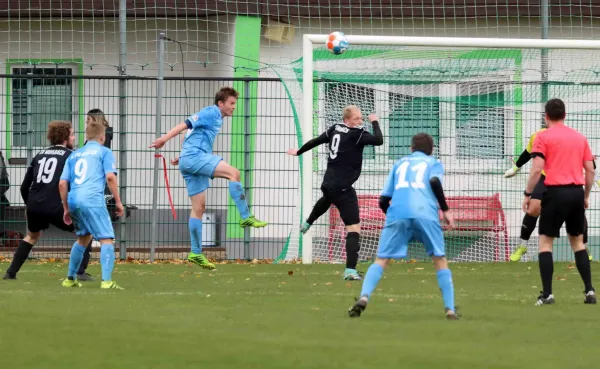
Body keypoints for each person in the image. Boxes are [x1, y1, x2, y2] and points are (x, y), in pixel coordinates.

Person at [149, 87, 267, 270]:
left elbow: (189, 135)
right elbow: (185, 125)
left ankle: (196, 252)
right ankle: (245, 216)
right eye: (232, 103)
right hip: (195, 158)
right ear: (221, 103)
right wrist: (164, 139)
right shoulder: (211, 112)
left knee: (198, 208)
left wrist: (182, 158)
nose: (234, 107)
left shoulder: (216, 117)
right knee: (234, 173)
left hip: (188, 160)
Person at [348, 133, 458, 320]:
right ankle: (450, 310)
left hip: (397, 214)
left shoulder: (399, 164)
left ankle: (364, 297)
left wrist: (392, 218)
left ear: (411, 148)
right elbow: (434, 181)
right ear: (431, 150)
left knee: (381, 259)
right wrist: (446, 211)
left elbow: (383, 200)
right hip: (425, 213)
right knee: (439, 260)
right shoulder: (433, 163)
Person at [287, 106, 383, 280]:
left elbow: (315, 141)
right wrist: (374, 121)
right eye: (357, 119)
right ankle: (350, 271)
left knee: (328, 197)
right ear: (347, 119)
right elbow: (378, 140)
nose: (360, 122)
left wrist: (299, 152)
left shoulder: (335, 128)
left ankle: (308, 222)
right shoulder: (357, 134)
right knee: (353, 228)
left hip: (328, 183)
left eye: (361, 118)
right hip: (343, 187)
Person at [522, 98, 596, 305]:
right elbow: (590, 170)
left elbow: (537, 169)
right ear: (564, 115)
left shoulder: (543, 137)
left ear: (546, 117)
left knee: (546, 242)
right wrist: (586, 195)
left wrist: (528, 193)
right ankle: (589, 291)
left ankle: (547, 294)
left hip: (554, 192)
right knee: (578, 242)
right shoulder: (579, 138)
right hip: (575, 193)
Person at [505, 129, 594, 262]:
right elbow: (527, 153)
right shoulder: (537, 136)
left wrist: (594, 177)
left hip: (568, 177)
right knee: (534, 208)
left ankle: (583, 247)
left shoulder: (573, 137)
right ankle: (522, 245)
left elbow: (590, 164)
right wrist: (515, 168)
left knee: (576, 210)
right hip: (546, 177)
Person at [3, 121, 76, 280]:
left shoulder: (40, 155)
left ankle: (11, 272)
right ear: (65, 137)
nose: (74, 138)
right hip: (55, 205)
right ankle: (80, 273)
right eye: (72, 134)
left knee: (31, 236)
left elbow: (24, 187)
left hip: (34, 204)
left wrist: (28, 206)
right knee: (84, 231)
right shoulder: (71, 156)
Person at [59, 120, 124, 289]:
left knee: (83, 238)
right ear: (103, 137)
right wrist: (118, 201)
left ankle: (70, 278)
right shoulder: (104, 152)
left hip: (74, 199)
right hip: (92, 199)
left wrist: (66, 207)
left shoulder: (73, 155)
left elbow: (62, 183)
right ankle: (107, 281)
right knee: (107, 238)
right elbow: (110, 177)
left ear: (86, 137)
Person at [76, 109, 114, 281]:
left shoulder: (101, 140)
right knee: (93, 232)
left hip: (91, 188)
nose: (86, 123)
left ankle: (78, 270)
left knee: (89, 232)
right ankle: (79, 270)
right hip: (92, 190)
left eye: (88, 120)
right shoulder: (98, 141)